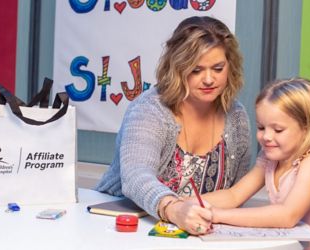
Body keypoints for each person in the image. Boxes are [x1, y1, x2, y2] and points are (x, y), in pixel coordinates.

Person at [95, 16, 251, 235]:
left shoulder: (237, 117)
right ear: (177, 68)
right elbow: (136, 175)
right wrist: (175, 209)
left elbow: (237, 194)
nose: (209, 79)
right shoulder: (149, 109)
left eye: (218, 68)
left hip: (196, 235)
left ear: (230, 66)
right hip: (124, 229)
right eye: (196, 70)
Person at [201, 78, 310, 249]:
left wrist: (215, 215)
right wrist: (183, 203)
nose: (266, 136)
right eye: (261, 127)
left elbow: (287, 215)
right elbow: (234, 196)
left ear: (307, 127)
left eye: (278, 130)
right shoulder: (269, 159)